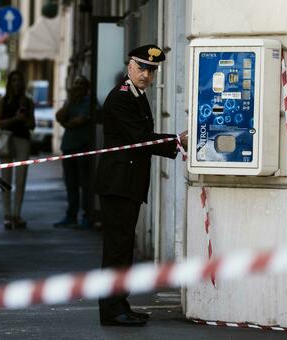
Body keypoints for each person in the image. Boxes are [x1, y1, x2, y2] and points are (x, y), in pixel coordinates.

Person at [95, 45, 188, 327]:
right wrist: (176, 140)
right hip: (118, 184)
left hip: (128, 184)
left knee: (124, 246)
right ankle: (112, 309)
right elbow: (139, 137)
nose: (146, 75)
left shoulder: (137, 95)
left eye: (152, 70)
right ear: (130, 67)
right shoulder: (121, 98)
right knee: (117, 247)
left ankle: (120, 303)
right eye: (143, 68)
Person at [0, 70, 35, 230]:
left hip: (23, 140)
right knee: (5, 179)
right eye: (14, 80)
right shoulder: (3, 101)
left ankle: (17, 214)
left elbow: (32, 125)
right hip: (7, 140)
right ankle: (7, 214)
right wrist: (15, 119)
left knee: (21, 179)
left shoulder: (28, 101)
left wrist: (25, 119)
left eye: (19, 80)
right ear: (10, 83)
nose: (17, 83)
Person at [53, 76, 93, 229]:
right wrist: (69, 102)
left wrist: (68, 123)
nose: (77, 86)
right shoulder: (71, 102)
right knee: (70, 184)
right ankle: (71, 216)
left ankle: (87, 216)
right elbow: (59, 117)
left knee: (84, 183)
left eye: (81, 84)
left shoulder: (89, 101)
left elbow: (80, 120)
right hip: (68, 147)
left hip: (83, 147)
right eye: (75, 83)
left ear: (87, 86)